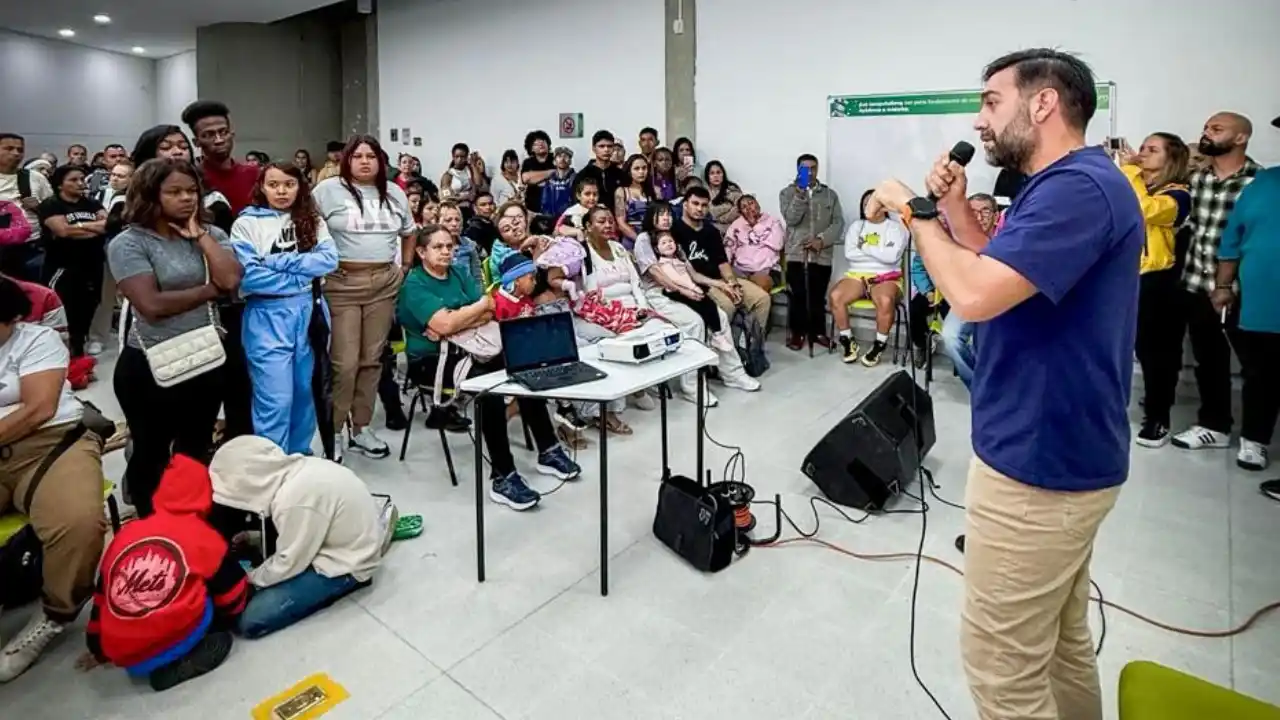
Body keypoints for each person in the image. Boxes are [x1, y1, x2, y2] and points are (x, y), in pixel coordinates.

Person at [869, 49, 1142, 720]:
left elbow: (971, 294)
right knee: (1059, 646)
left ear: (1043, 103)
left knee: (1003, 670)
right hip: (1057, 448)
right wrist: (953, 209)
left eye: (992, 102)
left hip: (1039, 465)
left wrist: (914, 210)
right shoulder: (1059, 185)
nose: (979, 119)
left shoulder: (1078, 190)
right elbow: (998, 269)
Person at [397, 225, 580, 511]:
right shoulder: (415, 285)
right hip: (431, 361)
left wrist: (455, 321)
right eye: (438, 247)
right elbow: (450, 321)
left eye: (449, 246)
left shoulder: (459, 272)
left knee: (524, 366)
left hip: (475, 346)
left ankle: (549, 450)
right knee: (490, 390)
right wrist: (462, 317)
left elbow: (490, 308)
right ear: (421, 251)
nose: (446, 252)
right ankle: (503, 476)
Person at [109, 158, 243, 517]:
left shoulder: (212, 235)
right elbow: (151, 305)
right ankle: (150, 525)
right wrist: (209, 291)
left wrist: (200, 237)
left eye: (191, 191)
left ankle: (189, 523)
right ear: (151, 195)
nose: (187, 198)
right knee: (150, 451)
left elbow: (231, 281)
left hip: (205, 356)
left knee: (194, 449)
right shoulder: (129, 243)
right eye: (174, 192)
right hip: (149, 363)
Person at [0, 278, 106, 681]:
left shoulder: (37, 340)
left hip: (49, 444)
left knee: (79, 523)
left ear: (11, 318)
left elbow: (38, 409)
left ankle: (55, 613)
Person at [81, 454, 248, 691]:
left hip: (128, 659)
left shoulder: (125, 535)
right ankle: (180, 663)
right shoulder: (202, 535)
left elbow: (101, 599)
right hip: (171, 644)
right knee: (213, 610)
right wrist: (230, 618)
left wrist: (97, 649)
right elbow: (233, 595)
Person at [209, 436, 384, 638]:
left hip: (349, 564)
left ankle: (344, 586)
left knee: (250, 619)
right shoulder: (298, 470)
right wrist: (254, 537)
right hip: (339, 541)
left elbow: (288, 562)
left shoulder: (293, 499)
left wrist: (248, 580)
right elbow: (309, 526)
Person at [313, 135, 416, 461]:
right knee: (344, 363)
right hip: (341, 283)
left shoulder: (395, 192)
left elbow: (410, 231)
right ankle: (335, 429)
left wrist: (405, 266)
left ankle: (361, 427)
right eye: (357, 156)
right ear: (347, 160)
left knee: (373, 360)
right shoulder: (327, 190)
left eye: (371, 156)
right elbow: (307, 228)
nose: (365, 161)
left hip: (383, 284)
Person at [1168, 112, 1261, 453]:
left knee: (1258, 366)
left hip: (1243, 289)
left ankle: (1255, 438)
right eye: (1206, 127)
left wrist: (1229, 284)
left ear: (1240, 138)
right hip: (1197, 282)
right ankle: (1214, 426)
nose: (1207, 132)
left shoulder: (1259, 182)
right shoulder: (1197, 180)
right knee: (1209, 360)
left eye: (1217, 129)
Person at [230, 163, 338, 455]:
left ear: (300, 187)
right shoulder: (247, 223)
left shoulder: (312, 220)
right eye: (273, 184)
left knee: (305, 392)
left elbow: (328, 260)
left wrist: (275, 262)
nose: (281, 191)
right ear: (261, 187)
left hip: (309, 312)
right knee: (275, 399)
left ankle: (299, 456)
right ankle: (272, 462)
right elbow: (250, 276)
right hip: (266, 315)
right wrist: (302, 275)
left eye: (289, 184)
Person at [183, 100, 258, 443]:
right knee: (205, 382)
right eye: (208, 135)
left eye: (222, 132)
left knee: (243, 378)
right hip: (204, 289)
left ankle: (240, 445)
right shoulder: (189, 180)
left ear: (232, 133)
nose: (217, 139)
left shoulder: (254, 175)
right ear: (196, 140)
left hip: (250, 289)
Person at [633, 201, 757, 402]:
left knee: (720, 316)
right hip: (659, 293)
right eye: (661, 214)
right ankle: (693, 386)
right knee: (694, 323)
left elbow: (693, 274)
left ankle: (733, 374)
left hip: (686, 287)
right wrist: (683, 290)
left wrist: (720, 284)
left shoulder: (673, 238)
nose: (666, 218)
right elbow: (656, 274)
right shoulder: (644, 239)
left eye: (668, 214)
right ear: (651, 217)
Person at [1113, 134, 1192, 447]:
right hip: (1124, 277)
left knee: (1156, 353)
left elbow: (1143, 210)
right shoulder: (1137, 185)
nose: (1142, 154)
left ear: (1171, 159)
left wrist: (1130, 170)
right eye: (1143, 148)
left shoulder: (1179, 195)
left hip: (1158, 282)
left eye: (1152, 150)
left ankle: (1158, 418)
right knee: (1123, 347)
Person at [1213, 118, 1280, 472]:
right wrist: (1223, 286)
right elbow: (1232, 239)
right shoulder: (1264, 183)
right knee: (1260, 373)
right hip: (1261, 300)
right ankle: (1255, 440)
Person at [674, 186, 772, 333]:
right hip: (698, 284)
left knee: (762, 299)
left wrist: (733, 283)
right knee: (727, 306)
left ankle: (754, 342)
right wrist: (721, 285)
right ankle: (726, 344)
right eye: (695, 203)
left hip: (720, 279)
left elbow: (722, 262)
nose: (700, 209)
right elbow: (685, 273)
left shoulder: (712, 231)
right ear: (685, 204)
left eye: (704, 205)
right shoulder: (674, 231)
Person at [829, 189, 909, 367]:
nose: (869, 207)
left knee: (885, 300)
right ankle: (847, 340)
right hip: (857, 275)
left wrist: (863, 247)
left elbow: (891, 257)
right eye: (866, 204)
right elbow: (850, 254)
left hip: (886, 276)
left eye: (873, 203)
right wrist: (880, 251)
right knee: (836, 296)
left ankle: (879, 345)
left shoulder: (895, 228)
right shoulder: (856, 227)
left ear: (884, 207)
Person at [37, 164, 107, 358]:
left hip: (92, 263)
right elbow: (63, 231)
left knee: (88, 306)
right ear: (60, 184)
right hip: (62, 265)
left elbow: (108, 225)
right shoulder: (51, 204)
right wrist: (92, 227)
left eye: (82, 179)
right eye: (74, 180)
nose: (80, 183)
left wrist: (78, 227)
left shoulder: (92, 203)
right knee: (63, 306)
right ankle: (58, 350)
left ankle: (78, 347)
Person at [780, 154, 845, 351]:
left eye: (813, 168)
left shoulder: (829, 195)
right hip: (796, 254)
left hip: (821, 255)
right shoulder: (787, 193)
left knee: (817, 296)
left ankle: (818, 332)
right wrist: (800, 194)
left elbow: (838, 222)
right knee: (798, 295)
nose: (809, 172)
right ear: (798, 170)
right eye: (805, 168)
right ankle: (797, 333)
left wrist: (821, 240)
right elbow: (791, 219)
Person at [938, 193, 1001, 388]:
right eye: (973, 212)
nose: (979, 217)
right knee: (950, 337)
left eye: (985, 211)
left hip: (1002, 301)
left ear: (996, 216)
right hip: (969, 298)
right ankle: (977, 386)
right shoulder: (957, 240)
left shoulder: (1007, 239)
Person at [0, 133, 54, 282]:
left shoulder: (35, 178)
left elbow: (55, 210)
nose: (16, 153)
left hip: (30, 248)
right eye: (9, 148)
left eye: (20, 150)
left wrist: (39, 208)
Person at [723, 194, 784, 292]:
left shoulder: (773, 221)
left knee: (760, 286)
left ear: (757, 204)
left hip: (767, 270)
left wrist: (755, 225)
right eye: (744, 207)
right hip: (741, 270)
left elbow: (778, 245)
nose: (748, 208)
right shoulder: (736, 225)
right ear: (741, 212)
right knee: (726, 282)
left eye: (750, 203)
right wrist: (726, 268)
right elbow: (728, 248)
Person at [577, 130, 628, 213]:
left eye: (610, 146)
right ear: (594, 149)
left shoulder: (621, 174)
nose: (606, 149)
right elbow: (577, 202)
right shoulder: (583, 175)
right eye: (601, 146)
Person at [614, 154, 655, 249]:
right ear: (629, 171)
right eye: (637, 169)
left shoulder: (653, 191)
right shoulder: (622, 191)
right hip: (631, 238)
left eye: (644, 168)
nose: (641, 172)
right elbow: (621, 223)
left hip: (651, 236)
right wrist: (640, 240)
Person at [438, 143, 484, 216]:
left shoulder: (470, 170)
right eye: (457, 156)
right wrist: (465, 197)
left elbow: (479, 184)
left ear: (466, 157)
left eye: (462, 157)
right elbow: (446, 197)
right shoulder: (448, 175)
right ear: (453, 157)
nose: (459, 159)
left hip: (471, 208)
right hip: (455, 209)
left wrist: (473, 164)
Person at [519, 130, 556, 215]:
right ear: (531, 149)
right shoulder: (528, 162)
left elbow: (562, 175)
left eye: (543, 141)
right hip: (532, 209)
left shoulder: (556, 158)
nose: (541, 145)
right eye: (536, 144)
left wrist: (536, 177)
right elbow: (526, 178)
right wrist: (552, 172)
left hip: (554, 209)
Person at [705, 161, 742, 234]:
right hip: (712, 230)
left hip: (733, 229)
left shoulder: (733, 190)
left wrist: (719, 218)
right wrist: (727, 210)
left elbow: (738, 210)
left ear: (723, 174)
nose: (716, 176)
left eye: (718, 172)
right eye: (712, 173)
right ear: (707, 176)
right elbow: (708, 213)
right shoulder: (704, 193)